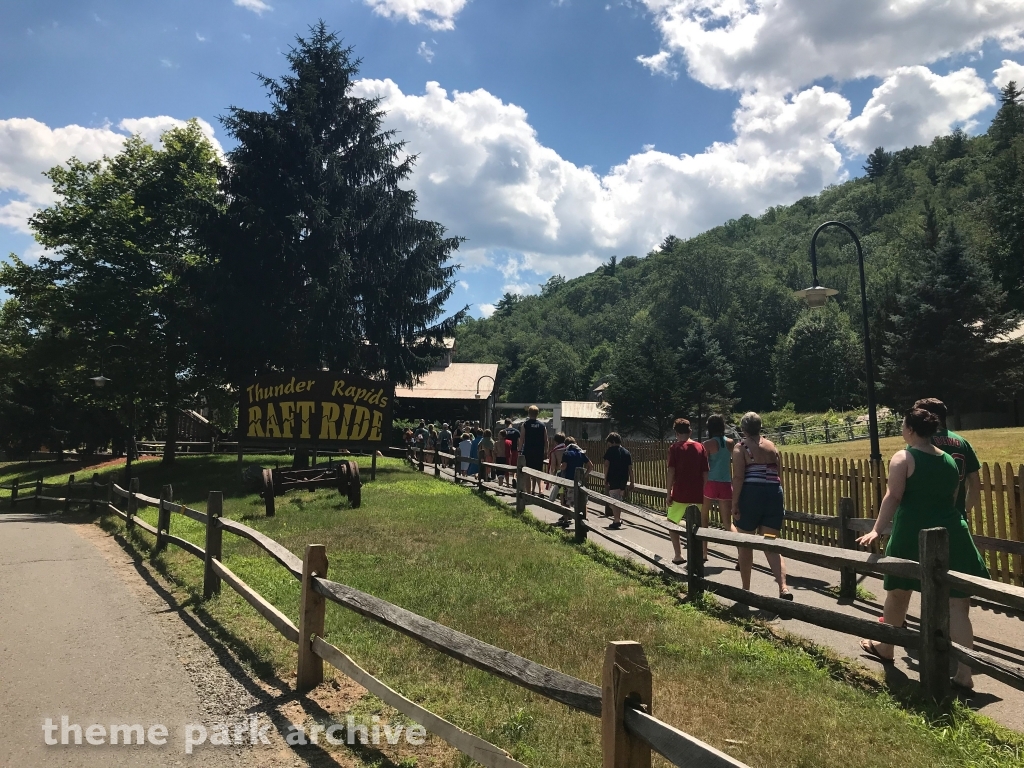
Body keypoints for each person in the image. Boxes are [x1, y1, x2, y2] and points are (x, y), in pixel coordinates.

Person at [856, 408, 989, 690]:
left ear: (911, 430)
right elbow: (953, 498)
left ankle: (886, 647)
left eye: (903, 425)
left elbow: (894, 496)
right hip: (952, 533)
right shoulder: (950, 461)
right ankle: (965, 674)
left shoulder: (903, 457)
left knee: (898, 592)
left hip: (912, 533)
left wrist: (876, 530)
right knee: (957, 605)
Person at [732, 412, 792, 599]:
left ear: (743, 429)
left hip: (751, 496)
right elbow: (779, 474)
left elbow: (739, 477)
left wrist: (735, 504)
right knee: (770, 544)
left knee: (746, 544)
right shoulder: (772, 446)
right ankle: (783, 587)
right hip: (773, 495)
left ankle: (746, 589)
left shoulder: (741, 447)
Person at [914, 398, 982, 525]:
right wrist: (966, 508)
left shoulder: (922, 443)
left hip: (928, 517)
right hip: (956, 516)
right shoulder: (962, 442)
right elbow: (975, 482)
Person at [665, 419, 709, 564]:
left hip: (680, 493)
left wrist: (668, 492)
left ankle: (678, 554)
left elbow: (671, 471)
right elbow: (705, 472)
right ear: (690, 431)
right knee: (702, 523)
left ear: (676, 433)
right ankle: (703, 553)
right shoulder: (700, 447)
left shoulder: (675, 448)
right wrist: (705, 492)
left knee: (672, 522)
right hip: (698, 493)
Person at [702, 414, 736, 557]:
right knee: (728, 523)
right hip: (726, 483)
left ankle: (704, 552)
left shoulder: (707, 444)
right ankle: (742, 553)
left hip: (710, 482)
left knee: (704, 518)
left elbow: (703, 466)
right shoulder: (730, 442)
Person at [558, 437, 593, 527]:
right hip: (579, 481)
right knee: (582, 501)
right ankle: (584, 518)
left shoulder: (566, 453)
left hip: (567, 480)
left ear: (566, 445)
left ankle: (566, 519)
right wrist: (584, 475)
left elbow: (564, 466)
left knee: (565, 500)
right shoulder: (581, 453)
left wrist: (560, 466)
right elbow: (590, 465)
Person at [603, 433, 634, 529]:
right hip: (623, 478)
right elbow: (630, 469)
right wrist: (632, 482)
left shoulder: (610, 451)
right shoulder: (626, 452)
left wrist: (605, 478)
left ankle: (616, 520)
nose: (609, 445)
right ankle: (618, 518)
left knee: (613, 500)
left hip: (613, 477)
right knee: (619, 499)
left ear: (612, 442)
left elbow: (606, 465)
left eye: (609, 443)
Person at [519, 406, 548, 494]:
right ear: (537, 414)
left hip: (528, 451)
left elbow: (522, 439)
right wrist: (546, 452)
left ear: (529, 413)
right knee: (539, 472)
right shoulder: (542, 426)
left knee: (527, 473)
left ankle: (529, 493)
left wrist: (519, 450)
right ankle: (541, 491)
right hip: (539, 452)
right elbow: (546, 440)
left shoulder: (525, 424)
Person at [548, 432, 567, 503]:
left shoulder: (555, 451)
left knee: (560, 489)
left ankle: (561, 503)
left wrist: (552, 473)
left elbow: (553, 465)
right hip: (569, 471)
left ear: (555, 441)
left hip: (560, 471)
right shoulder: (567, 448)